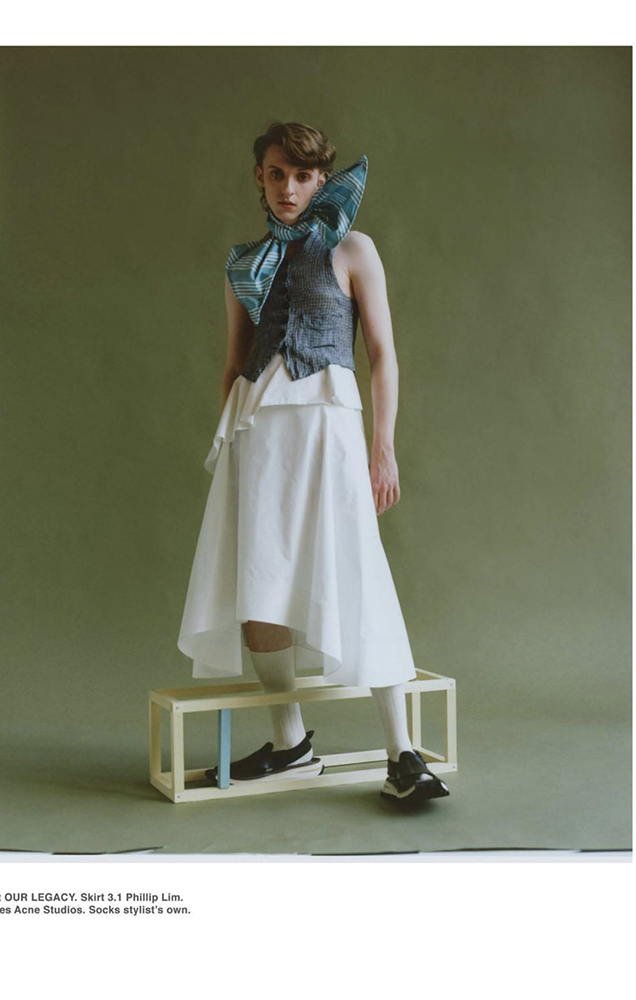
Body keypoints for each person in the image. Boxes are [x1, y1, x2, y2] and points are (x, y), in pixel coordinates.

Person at [177, 121, 449, 806]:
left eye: (302, 176)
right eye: (277, 174)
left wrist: (382, 446)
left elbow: (382, 354)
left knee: (355, 568)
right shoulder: (244, 263)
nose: (289, 188)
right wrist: (228, 442)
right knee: (260, 577)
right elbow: (235, 363)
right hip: (258, 432)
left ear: (321, 180)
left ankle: (402, 754)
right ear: (260, 177)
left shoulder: (353, 248)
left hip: (329, 425)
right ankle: (291, 744)